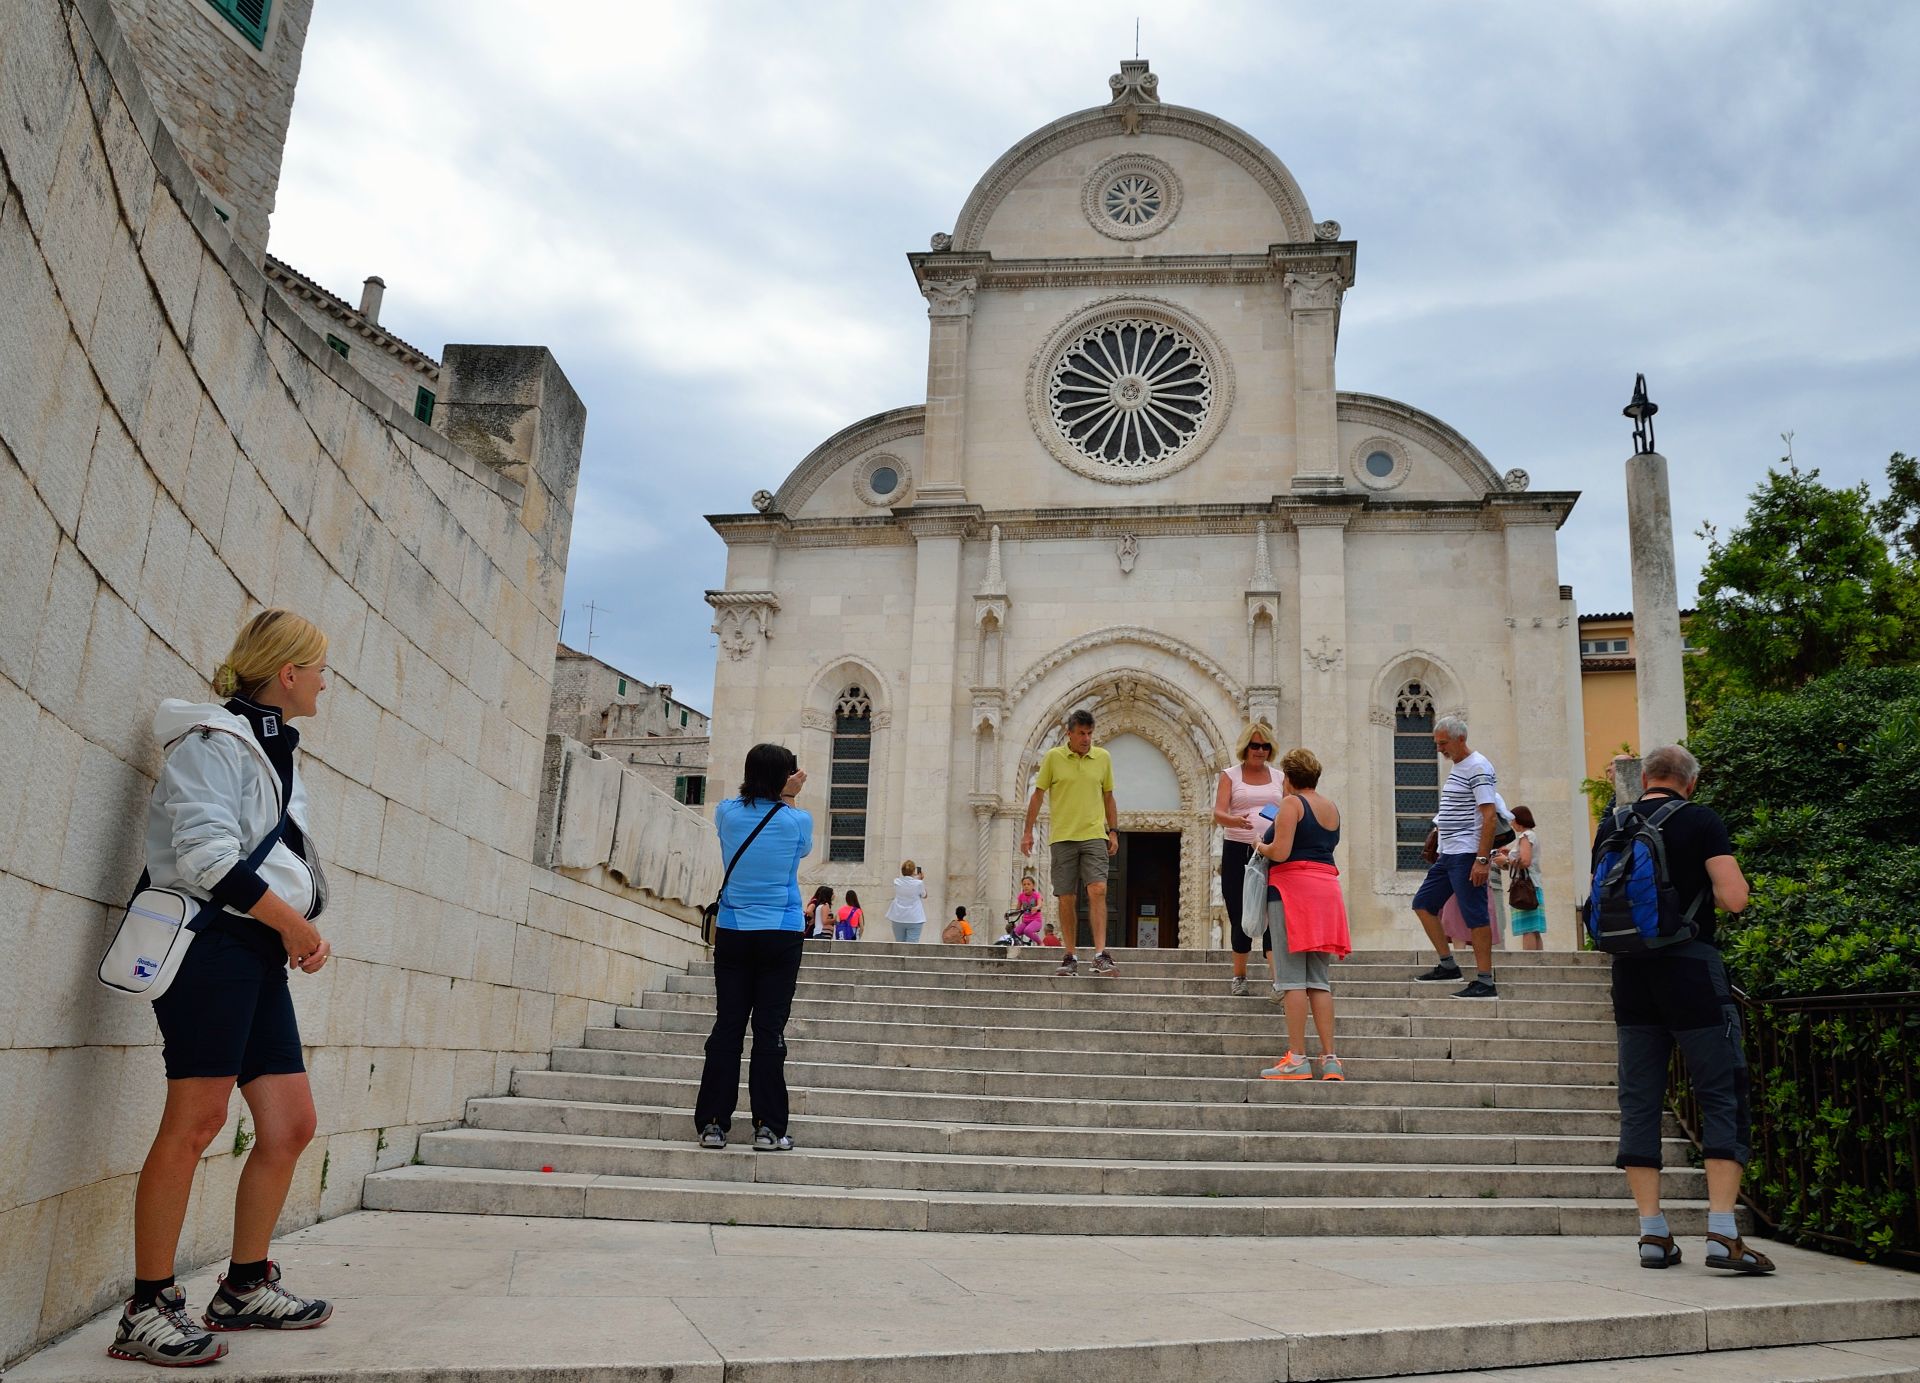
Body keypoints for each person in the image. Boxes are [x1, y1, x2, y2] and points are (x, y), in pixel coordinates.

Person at [115, 611, 336, 1366]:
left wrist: (291, 928)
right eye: (318, 668)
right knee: (198, 1118)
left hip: (255, 944)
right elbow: (205, 854)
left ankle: (243, 1285)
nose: (323, 681)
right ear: (287, 674)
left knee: (290, 1122)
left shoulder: (271, 744)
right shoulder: (215, 740)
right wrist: (292, 924)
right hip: (210, 943)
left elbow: (267, 855)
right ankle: (147, 1305)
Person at [1597, 745, 1770, 1274]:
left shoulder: (1615, 822)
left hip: (1630, 975)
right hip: (1691, 970)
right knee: (1720, 1093)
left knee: (1640, 1099)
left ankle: (1653, 1233)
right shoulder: (1701, 820)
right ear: (1690, 783)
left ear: (1645, 777)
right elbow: (1735, 898)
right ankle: (1721, 1234)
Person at [693, 743, 811, 1154]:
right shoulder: (797, 819)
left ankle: (712, 1123)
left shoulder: (727, 813)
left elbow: (728, 809)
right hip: (781, 932)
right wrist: (789, 796)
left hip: (734, 930)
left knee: (728, 1026)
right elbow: (801, 852)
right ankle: (769, 1128)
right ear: (785, 777)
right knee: (769, 1031)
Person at [1252, 749, 1351, 1081]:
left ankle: (1296, 1059)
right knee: (1318, 980)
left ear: (1289, 778)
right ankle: (1331, 1060)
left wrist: (1259, 845)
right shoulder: (1331, 807)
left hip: (1293, 891)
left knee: (1292, 978)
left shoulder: (1292, 804)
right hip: (1326, 892)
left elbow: (1280, 851)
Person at [1020, 709, 1120, 977]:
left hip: (1094, 835)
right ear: (1070, 733)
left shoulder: (1103, 758)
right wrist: (1028, 831)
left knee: (1098, 889)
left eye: (1090, 734)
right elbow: (1037, 796)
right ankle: (1071, 955)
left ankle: (1100, 954)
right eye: (1081, 734)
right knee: (1067, 897)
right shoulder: (1053, 758)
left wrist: (1113, 831)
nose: (1086, 739)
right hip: (1063, 837)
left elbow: (1109, 797)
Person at [1410, 714, 1502, 998]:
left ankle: (1485, 981)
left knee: (1475, 915)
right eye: (1437, 744)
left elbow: (1488, 816)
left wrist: (1482, 859)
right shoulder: (1460, 767)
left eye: (1443, 743)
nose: (1439, 749)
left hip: (1466, 853)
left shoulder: (1478, 767)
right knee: (1423, 904)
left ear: (1460, 739)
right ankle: (1448, 966)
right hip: (1448, 855)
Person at [1214, 722, 1283, 996]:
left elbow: (1289, 809)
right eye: (1255, 745)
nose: (1260, 751)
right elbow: (1218, 813)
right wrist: (1234, 819)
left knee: (1272, 911)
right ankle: (1239, 976)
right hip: (1237, 849)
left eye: (1265, 746)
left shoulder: (1279, 777)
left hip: (1271, 850)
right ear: (1246, 748)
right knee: (1239, 912)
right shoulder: (1230, 775)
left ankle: (1277, 980)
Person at [1496, 805, 1546, 950]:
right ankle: (1538, 961)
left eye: (1512, 820)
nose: (1511, 824)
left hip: (1525, 888)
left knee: (1528, 928)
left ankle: (1530, 961)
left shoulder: (1525, 836)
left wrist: (1505, 861)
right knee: (1534, 929)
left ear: (1519, 820)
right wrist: (1511, 852)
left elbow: (1525, 861)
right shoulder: (1532, 835)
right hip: (1534, 886)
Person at [885, 860, 928, 942]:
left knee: (899, 943)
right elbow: (924, 895)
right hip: (914, 917)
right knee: (911, 947)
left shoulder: (896, 881)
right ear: (913, 871)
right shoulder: (919, 883)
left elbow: (907, 883)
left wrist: (916, 879)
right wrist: (920, 880)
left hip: (898, 916)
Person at [1012, 873, 1044, 943]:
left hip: (1036, 921)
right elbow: (1018, 909)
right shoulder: (1021, 896)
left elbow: (1040, 904)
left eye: (1028, 884)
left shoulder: (1036, 895)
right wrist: (1010, 914)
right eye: (1024, 884)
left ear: (1033, 885)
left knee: (1027, 931)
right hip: (1026, 922)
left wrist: (1036, 907)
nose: (1026, 886)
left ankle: (1040, 943)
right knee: (1014, 933)